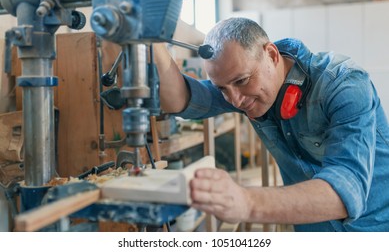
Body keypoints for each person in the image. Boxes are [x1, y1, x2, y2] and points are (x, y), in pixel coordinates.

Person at [153, 17, 389, 232]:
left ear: (272, 55)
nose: (235, 100)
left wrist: (247, 202)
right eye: (222, 89)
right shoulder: (241, 90)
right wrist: (152, 42)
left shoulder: (344, 84)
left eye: (242, 80)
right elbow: (181, 98)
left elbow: (348, 190)